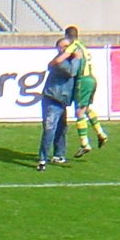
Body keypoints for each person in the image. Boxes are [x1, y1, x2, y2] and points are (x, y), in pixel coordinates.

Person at [64, 25, 108, 158]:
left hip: (82, 81)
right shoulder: (83, 45)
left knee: (79, 112)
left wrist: (57, 61)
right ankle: (101, 133)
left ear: (67, 36)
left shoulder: (74, 46)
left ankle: (84, 144)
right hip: (91, 79)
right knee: (86, 108)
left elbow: (66, 55)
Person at [37, 38, 80, 172]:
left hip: (61, 100)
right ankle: (43, 159)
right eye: (63, 47)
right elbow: (71, 72)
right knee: (50, 129)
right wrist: (77, 58)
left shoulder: (66, 60)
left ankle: (58, 155)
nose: (66, 49)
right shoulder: (60, 62)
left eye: (68, 46)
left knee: (62, 129)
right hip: (52, 99)